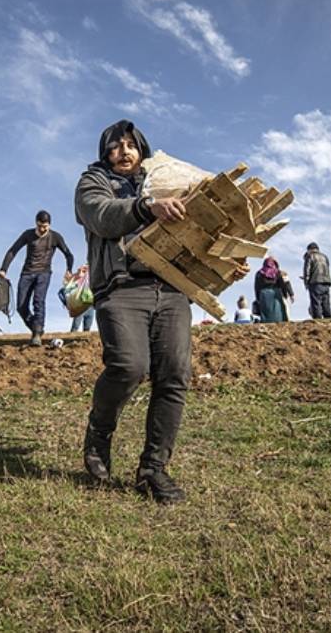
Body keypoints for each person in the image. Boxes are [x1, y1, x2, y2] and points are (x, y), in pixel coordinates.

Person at [75, 119, 250, 504]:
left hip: (172, 290)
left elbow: (196, 239)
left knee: (174, 375)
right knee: (129, 366)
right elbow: (102, 215)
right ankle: (99, 431)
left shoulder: (166, 182)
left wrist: (223, 263)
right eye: (115, 146)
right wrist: (147, 207)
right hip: (122, 288)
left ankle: (153, 469)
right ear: (105, 153)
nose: (124, 151)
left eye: (131, 145)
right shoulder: (94, 183)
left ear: (142, 149)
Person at [0, 210, 75, 345]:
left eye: (45, 226)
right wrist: (4, 269)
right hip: (27, 273)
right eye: (39, 226)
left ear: (49, 225)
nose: (42, 229)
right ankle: (36, 327)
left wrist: (69, 269)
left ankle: (37, 334)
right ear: (36, 223)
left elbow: (69, 254)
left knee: (38, 301)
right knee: (21, 306)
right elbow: (13, 250)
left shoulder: (55, 237)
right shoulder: (28, 234)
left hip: (44, 273)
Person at [302, 243, 331, 319]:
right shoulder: (325, 256)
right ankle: (329, 319)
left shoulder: (309, 256)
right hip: (326, 282)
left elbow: (307, 270)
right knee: (326, 303)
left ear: (309, 250)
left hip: (315, 282)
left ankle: (318, 320)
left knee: (316, 303)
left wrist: (306, 282)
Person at [254, 257, 289, 323]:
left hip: (264, 295)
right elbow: (282, 284)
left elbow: (257, 286)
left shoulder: (259, 273)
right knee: (278, 311)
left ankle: (266, 322)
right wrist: (285, 294)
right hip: (276, 293)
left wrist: (257, 297)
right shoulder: (277, 272)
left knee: (266, 312)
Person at [62, 265, 94, 332]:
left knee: (88, 326)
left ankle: (85, 341)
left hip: (89, 305)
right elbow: (66, 282)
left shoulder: (90, 279)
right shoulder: (77, 279)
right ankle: (71, 340)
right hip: (80, 305)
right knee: (76, 325)